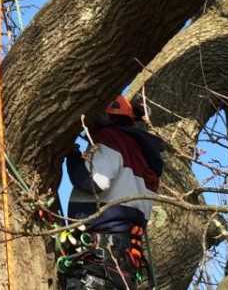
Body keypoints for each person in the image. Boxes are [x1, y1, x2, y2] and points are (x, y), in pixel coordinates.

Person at [62, 96, 164, 289]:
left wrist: (73, 157)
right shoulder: (144, 158)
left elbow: (93, 181)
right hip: (125, 256)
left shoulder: (113, 138)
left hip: (103, 252)